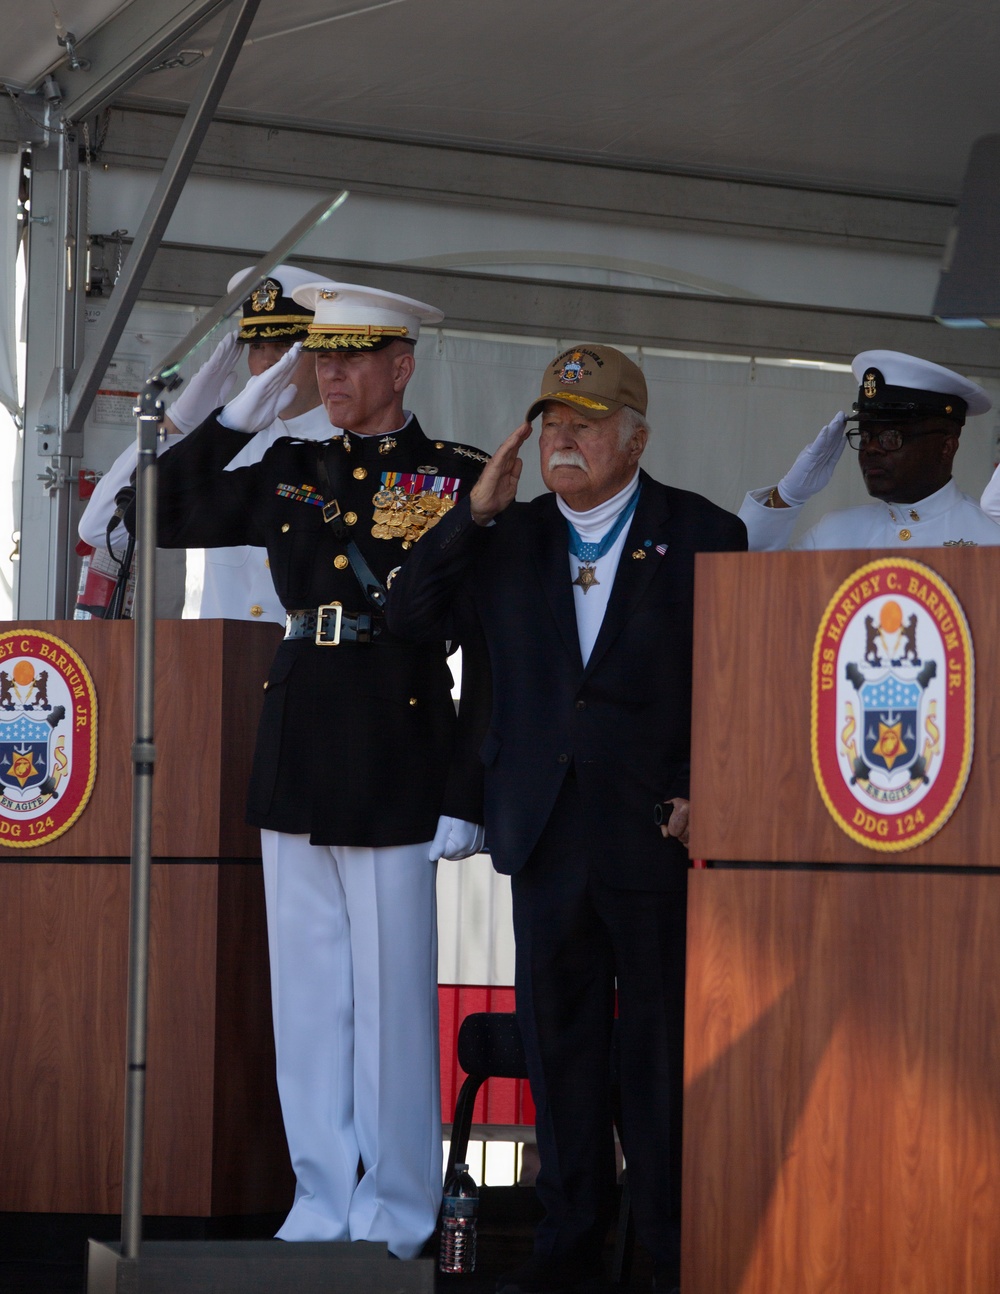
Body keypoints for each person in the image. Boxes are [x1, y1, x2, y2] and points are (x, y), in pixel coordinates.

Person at [135, 281, 490, 1258]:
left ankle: (399, 1207)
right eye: (317, 358)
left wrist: (467, 787)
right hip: (297, 739)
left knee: (387, 1003)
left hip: (395, 745)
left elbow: (495, 647)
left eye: (348, 357)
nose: (327, 374)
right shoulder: (289, 465)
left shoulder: (453, 477)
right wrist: (246, 402)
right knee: (308, 1001)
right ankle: (323, 1196)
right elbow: (151, 504)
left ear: (400, 364)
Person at [385, 344, 748, 1293]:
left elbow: (736, 684)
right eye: (551, 424)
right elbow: (410, 616)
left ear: (637, 437)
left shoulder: (706, 534)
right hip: (544, 835)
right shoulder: (509, 535)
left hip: (655, 837)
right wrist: (472, 514)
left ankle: (668, 1256)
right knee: (563, 1056)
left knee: (660, 1061)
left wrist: (708, 786)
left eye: (585, 424)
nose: (564, 440)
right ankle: (568, 1255)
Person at [79, 264, 334, 621]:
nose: (266, 362)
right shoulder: (225, 442)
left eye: (283, 346)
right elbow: (103, 528)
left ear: (325, 354)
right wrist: (179, 426)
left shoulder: (354, 447)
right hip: (218, 664)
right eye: (257, 346)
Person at [739, 349, 1000, 548]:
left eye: (890, 437)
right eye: (865, 436)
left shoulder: (990, 536)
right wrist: (787, 496)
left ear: (946, 446)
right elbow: (747, 590)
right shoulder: (834, 534)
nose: (871, 449)